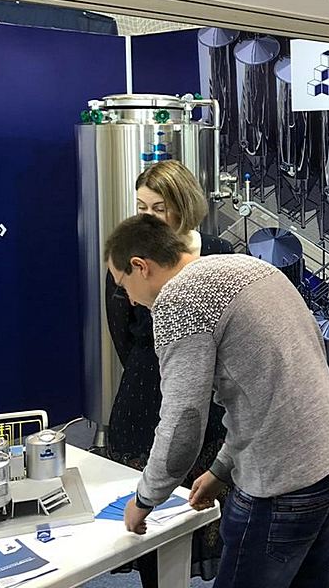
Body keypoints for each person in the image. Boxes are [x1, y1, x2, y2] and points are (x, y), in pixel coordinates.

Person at [105, 214, 329, 588]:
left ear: (141, 267)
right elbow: (268, 394)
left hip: (283, 483)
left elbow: (183, 422)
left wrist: (144, 499)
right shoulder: (248, 267)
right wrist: (221, 470)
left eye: (123, 284)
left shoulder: (179, 300)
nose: (128, 299)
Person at [105, 160, 232, 585]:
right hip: (145, 398)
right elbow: (122, 333)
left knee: (204, 506)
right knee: (152, 527)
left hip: (212, 402)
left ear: (183, 205)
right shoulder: (126, 254)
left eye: (158, 208)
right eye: (141, 207)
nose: (147, 217)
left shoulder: (219, 254)